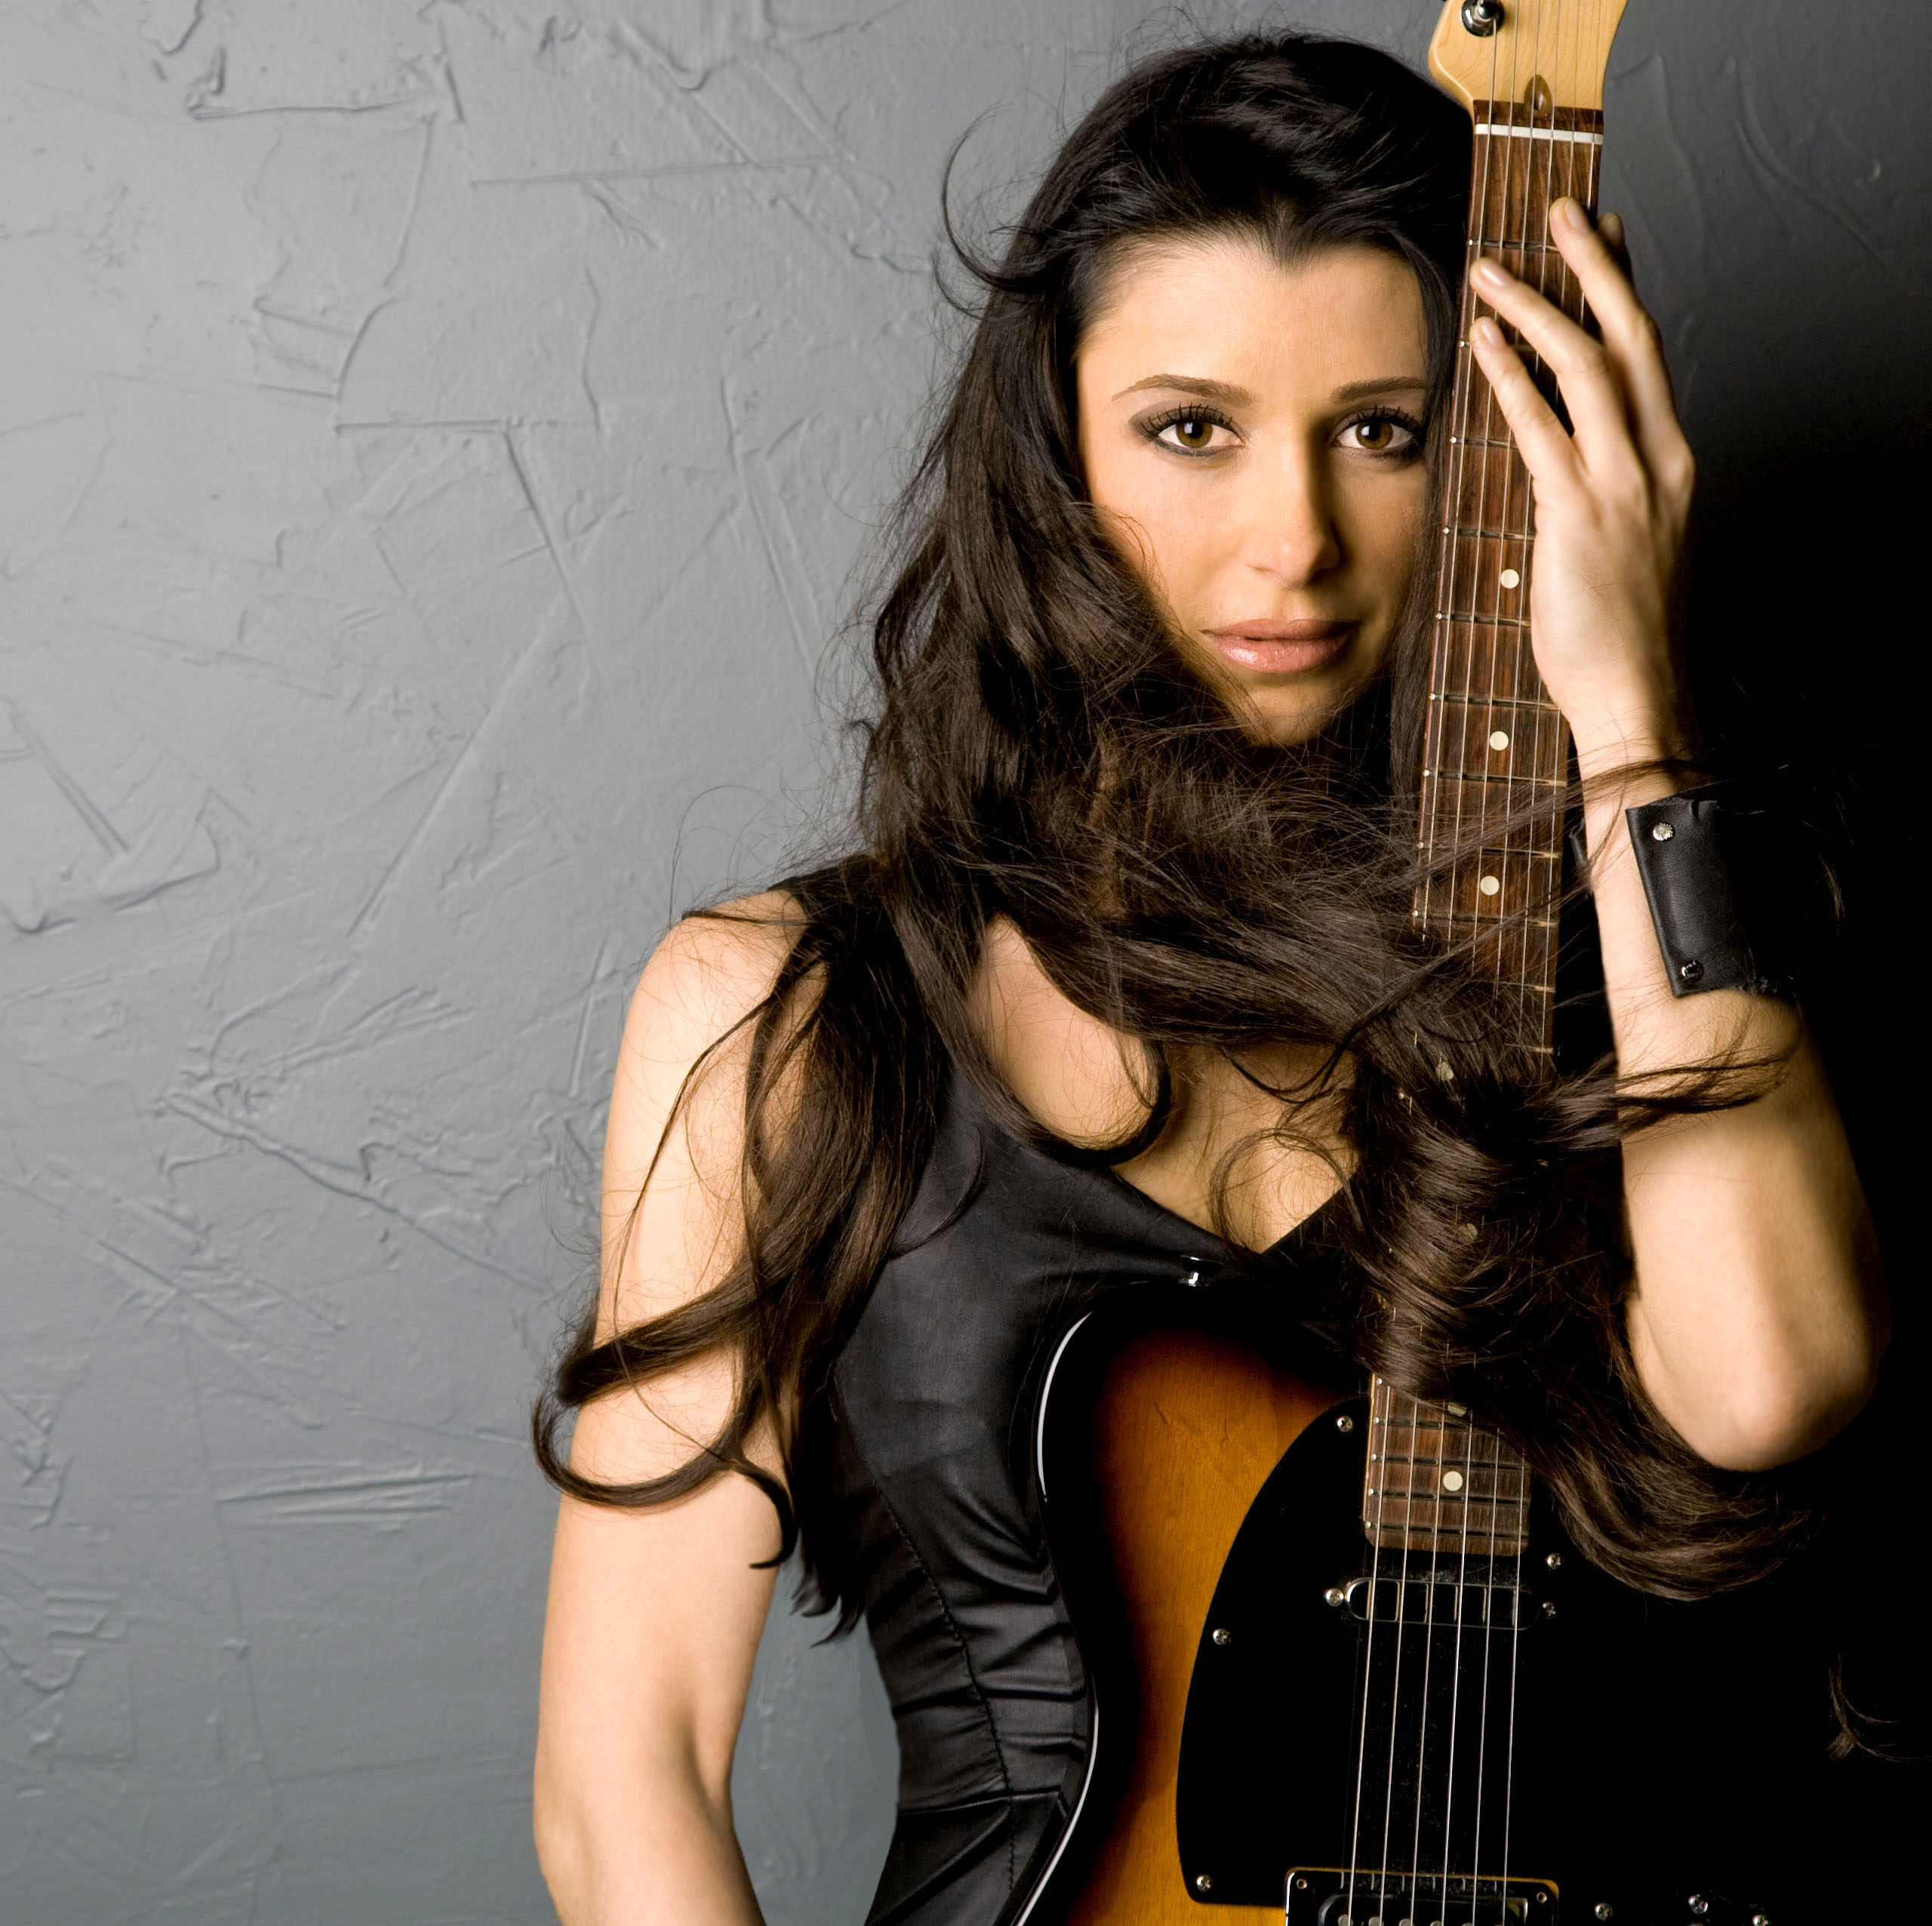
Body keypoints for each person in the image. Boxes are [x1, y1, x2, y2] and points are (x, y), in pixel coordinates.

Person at [529, 32, 1886, 1926]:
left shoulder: (1627, 961)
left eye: (1382, 431)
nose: (1291, 543)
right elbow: (629, 1787)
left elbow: (1765, 1384)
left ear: (1494, 462)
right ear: (1057, 451)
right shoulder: (789, 1016)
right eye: (1190, 429)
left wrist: (1628, 717)